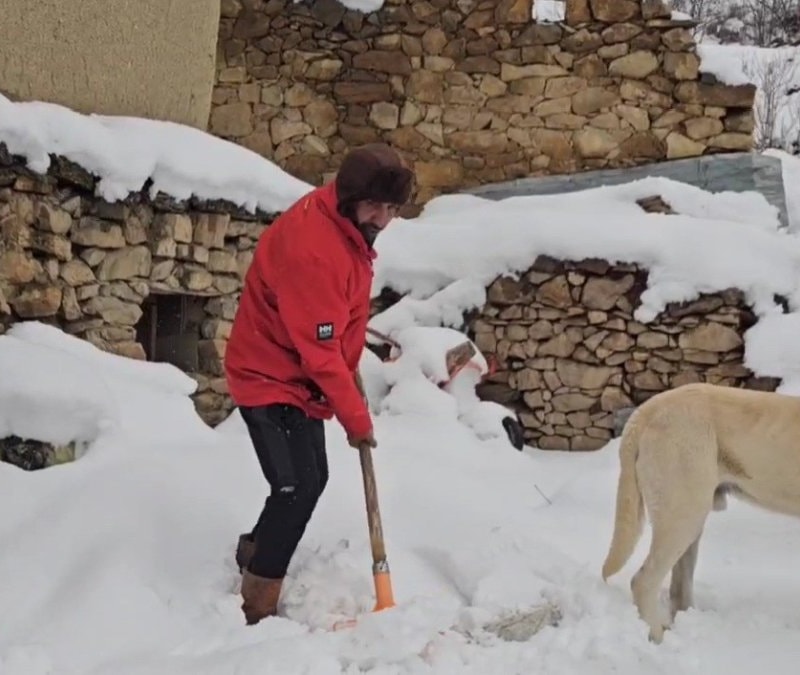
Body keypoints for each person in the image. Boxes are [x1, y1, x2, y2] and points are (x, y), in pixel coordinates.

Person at [223, 143, 414, 625]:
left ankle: (253, 552)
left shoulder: (346, 228)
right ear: (349, 197)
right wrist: (355, 416)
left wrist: (347, 366)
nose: (383, 218)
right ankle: (255, 603)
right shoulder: (316, 249)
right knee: (295, 487)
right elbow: (319, 350)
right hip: (268, 374)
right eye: (375, 205)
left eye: (392, 208)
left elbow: (334, 328)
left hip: (301, 375)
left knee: (310, 480)